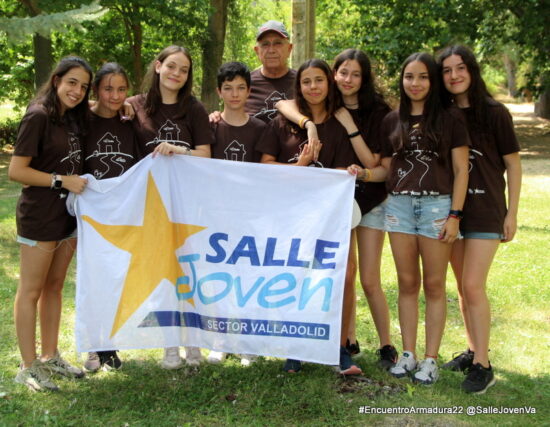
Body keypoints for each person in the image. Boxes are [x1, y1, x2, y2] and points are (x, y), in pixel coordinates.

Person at [277, 49, 397, 369]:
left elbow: (376, 164)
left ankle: (383, 344)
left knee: (363, 277)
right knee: (336, 272)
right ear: (334, 76)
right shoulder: (328, 103)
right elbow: (283, 104)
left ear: (365, 78)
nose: (348, 79)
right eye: (343, 73)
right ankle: (343, 340)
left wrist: (350, 127)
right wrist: (309, 125)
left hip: (368, 198)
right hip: (331, 204)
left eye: (356, 74)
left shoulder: (377, 112)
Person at [257, 58, 360, 375]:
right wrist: (300, 166)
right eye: (306, 81)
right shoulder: (281, 122)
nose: (313, 87)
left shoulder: (340, 123)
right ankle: (295, 347)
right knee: (296, 276)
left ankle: (339, 348)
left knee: (342, 277)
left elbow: (343, 171)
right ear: (298, 86)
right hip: (291, 216)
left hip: (331, 216)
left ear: (329, 82)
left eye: (319, 80)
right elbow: (266, 167)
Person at [380, 52, 470, 385]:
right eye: (409, 77)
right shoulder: (392, 120)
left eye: (423, 77)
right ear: (402, 80)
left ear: (432, 81)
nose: (415, 83)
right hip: (399, 207)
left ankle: (431, 359)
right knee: (406, 283)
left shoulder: (450, 119)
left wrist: (454, 215)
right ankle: (408, 353)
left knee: (434, 285)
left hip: (437, 208)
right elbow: (386, 167)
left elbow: (461, 170)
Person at [438, 45, 522, 394]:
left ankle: (484, 366)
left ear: (471, 71)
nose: (454, 75)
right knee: (462, 286)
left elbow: (513, 164)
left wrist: (512, 213)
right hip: (453, 212)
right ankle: (473, 350)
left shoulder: (494, 112)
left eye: (460, 68)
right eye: (447, 70)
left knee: (473, 285)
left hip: (487, 210)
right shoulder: (442, 113)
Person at [127, 45, 214, 369]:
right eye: (172, 66)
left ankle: (193, 342)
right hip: (151, 209)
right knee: (163, 274)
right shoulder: (135, 106)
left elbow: (205, 154)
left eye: (184, 69)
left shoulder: (194, 109)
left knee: (188, 274)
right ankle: (169, 345)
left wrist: (179, 150)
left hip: (188, 206)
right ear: (158, 66)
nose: (177, 73)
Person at [8, 56, 92, 391]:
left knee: (54, 287)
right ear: (56, 80)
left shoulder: (72, 117)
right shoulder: (39, 115)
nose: (77, 91)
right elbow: (17, 171)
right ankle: (28, 366)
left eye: (83, 86)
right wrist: (61, 180)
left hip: (67, 216)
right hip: (40, 217)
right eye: (72, 82)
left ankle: (50, 355)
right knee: (31, 290)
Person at [83, 62, 142, 372]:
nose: (115, 96)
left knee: (117, 278)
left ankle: (110, 344)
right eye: (108, 89)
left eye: (121, 89)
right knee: (93, 278)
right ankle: (93, 344)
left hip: (124, 212)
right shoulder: (81, 121)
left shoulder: (129, 122)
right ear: (96, 90)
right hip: (91, 213)